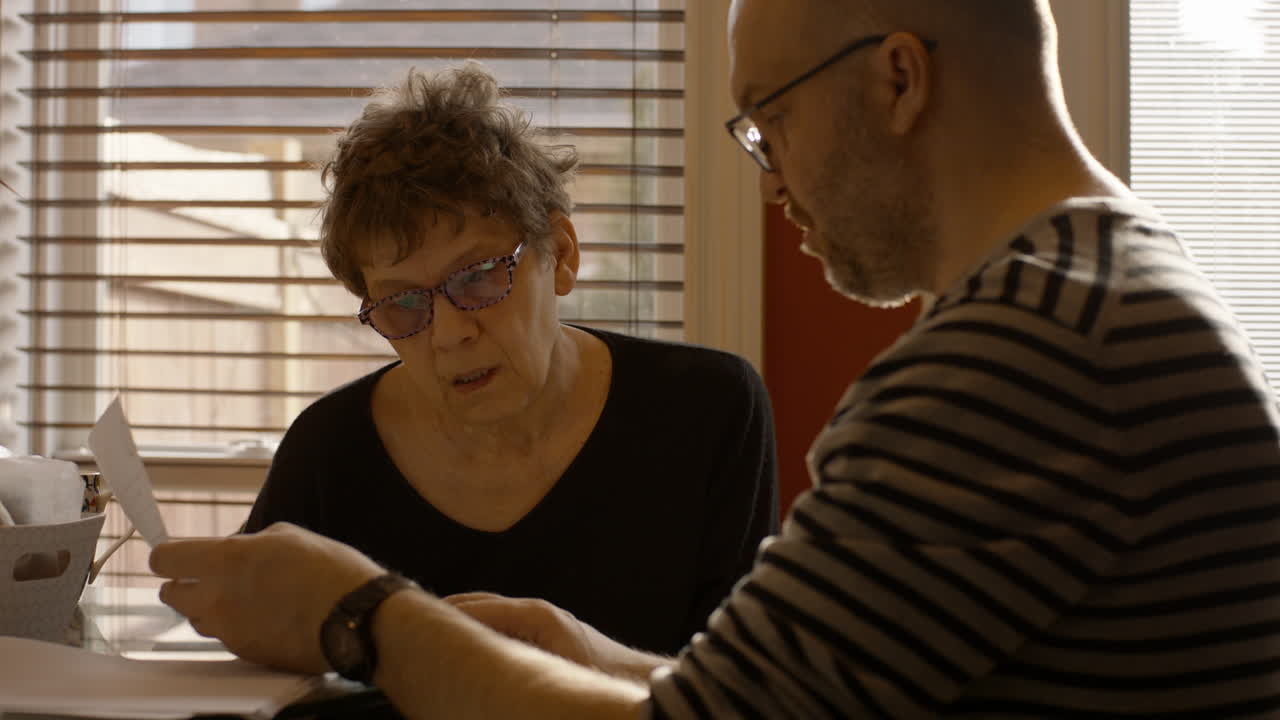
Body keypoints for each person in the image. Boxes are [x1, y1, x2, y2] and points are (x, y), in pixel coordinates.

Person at [151, 0, 1280, 717]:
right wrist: (569, 647)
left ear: (897, 78)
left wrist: (362, 615)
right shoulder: (1107, 287)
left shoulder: (1017, 361)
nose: (769, 177)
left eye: (768, 119)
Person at [237, 63, 778, 656]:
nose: (448, 335)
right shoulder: (329, 450)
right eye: (402, 303)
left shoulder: (706, 410)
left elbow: (742, 689)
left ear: (562, 255)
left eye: (476, 278)